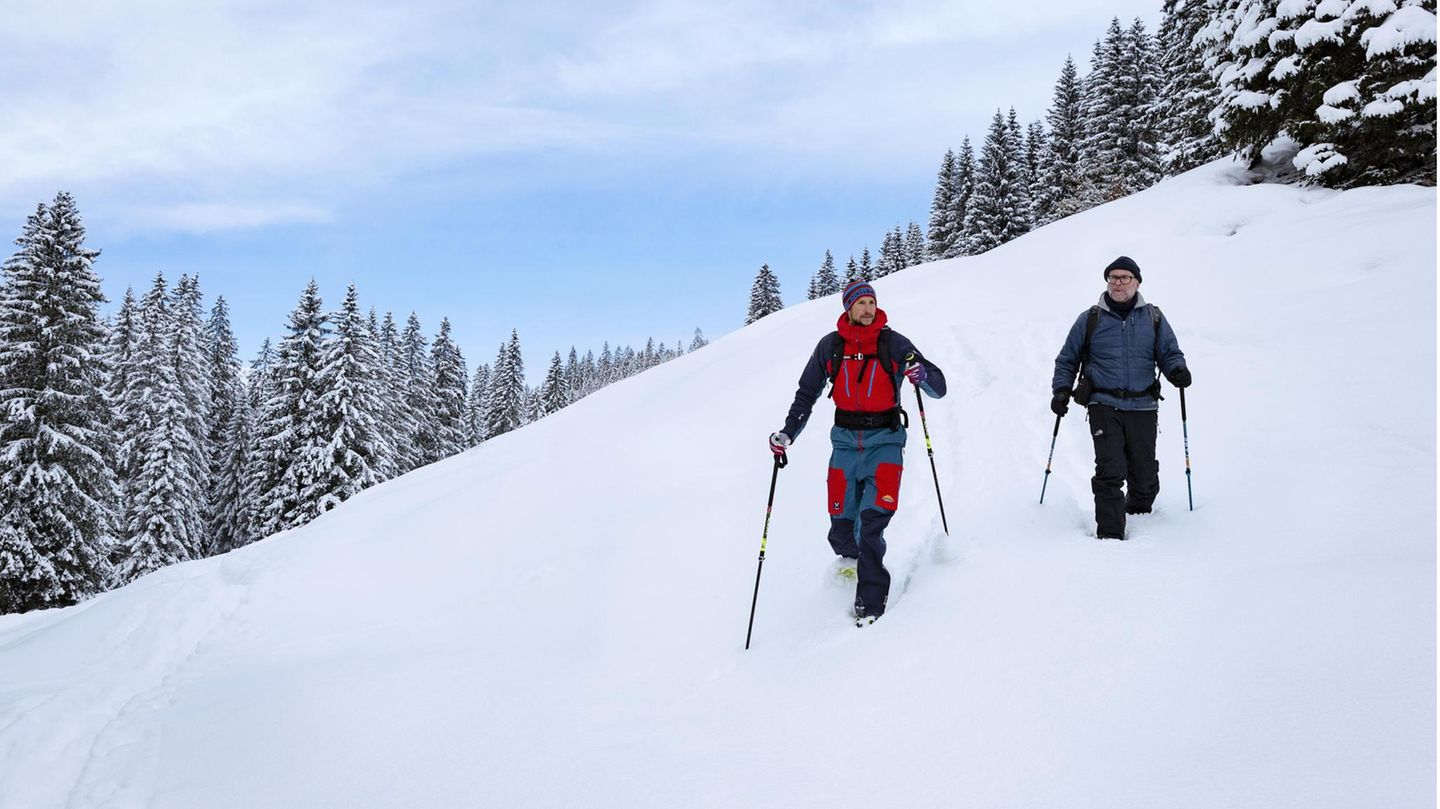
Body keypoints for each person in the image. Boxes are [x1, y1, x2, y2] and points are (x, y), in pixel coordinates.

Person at [769, 280, 946, 624]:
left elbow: (938, 387)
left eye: (871, 302)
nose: (867, 309)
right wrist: (788, 433)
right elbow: (807, 393)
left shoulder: (893, 343)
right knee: (841, 524)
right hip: (845, 443)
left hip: (886, 441)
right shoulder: (831, 346)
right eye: (860, 303)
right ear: (848, 308)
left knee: (871, 523)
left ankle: (870, 603)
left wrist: (921, 374)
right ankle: (849, 565)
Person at [1051, 256, 1190, 540]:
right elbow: (1067, 359)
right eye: (1112, 278)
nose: (1117, 283)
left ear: (1137, 282)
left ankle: (1140, 516)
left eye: (1124, 277)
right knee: (1110, 469)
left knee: (1144, 472)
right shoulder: (1090, 318)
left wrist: (1177, 369)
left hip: (1143, 404)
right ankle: (1111, 536)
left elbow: (1169, 351)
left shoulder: (1153, 317)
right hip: (1103, 403)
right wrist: (1061, 390)